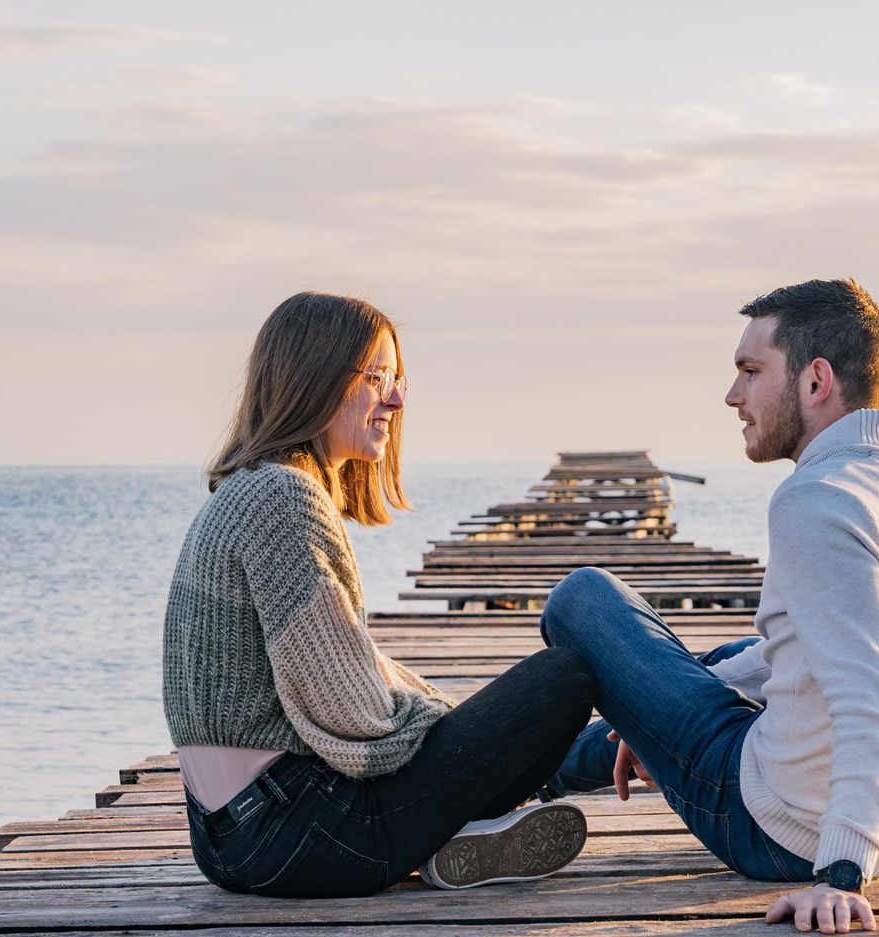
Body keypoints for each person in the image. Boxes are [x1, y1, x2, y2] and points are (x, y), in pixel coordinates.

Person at [540, 278, 879, 935]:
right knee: (731, 662)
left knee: (582, 598)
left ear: (815, 382)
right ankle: (543, 778)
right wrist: (654, 716)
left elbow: (876, 704)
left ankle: (496, 785)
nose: (732, 396)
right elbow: (841, 656)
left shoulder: (817, 500)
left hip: (786, 832)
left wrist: (840, 874)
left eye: (751, 373)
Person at [163, 291, 593, 898]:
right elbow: (354, 712)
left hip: (228, 839)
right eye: (376, 377)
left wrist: (460, 726)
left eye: (399, 379)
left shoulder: (247, 494)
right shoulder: (284, 499)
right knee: (569, 675)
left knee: (496, 730)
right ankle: (527, 792)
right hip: (301, 832)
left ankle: (469, 828)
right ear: (312, 381)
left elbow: (348, 675)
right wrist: (455, 730)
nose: (396, 398)